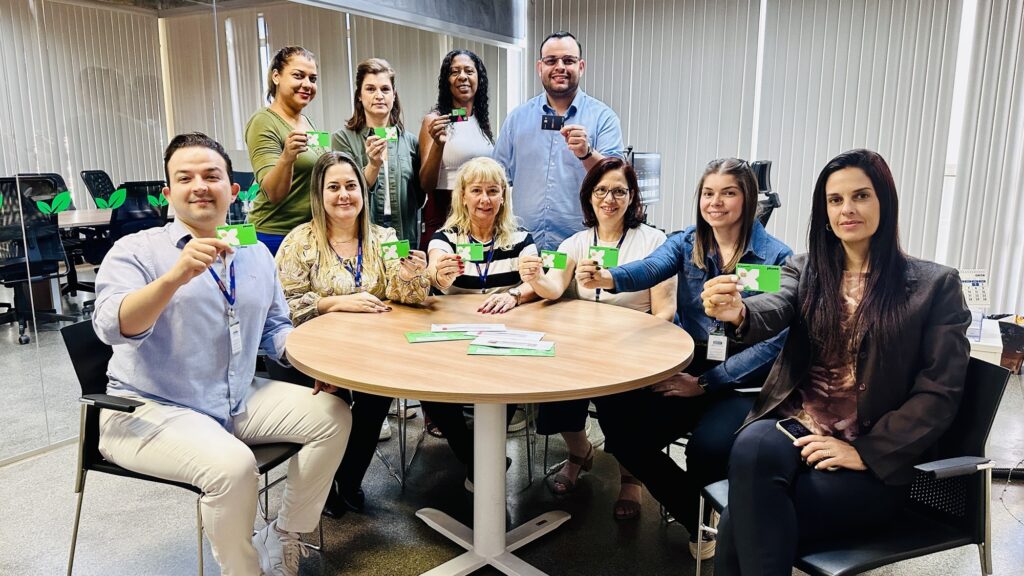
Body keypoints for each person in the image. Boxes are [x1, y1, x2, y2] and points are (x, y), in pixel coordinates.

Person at [701, 149, 971, 575]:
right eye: (835, 200)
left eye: (860, 196)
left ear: (885, 201)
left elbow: (940, 392)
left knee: (743, 516)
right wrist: (739, 312)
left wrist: (865, 451)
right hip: (798, 428)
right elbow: (776, 304)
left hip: (871, 465)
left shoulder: (935, 286)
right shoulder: (804, 269)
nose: (847, 209)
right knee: (750, 444)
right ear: (824, 211)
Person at [93, 132, 351, 576]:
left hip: (233, 397)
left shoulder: (251, 250)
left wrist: (314, 364)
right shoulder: (136, 250)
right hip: (148, 408)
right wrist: (174, 278)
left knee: (333, 415)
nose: (200, 186)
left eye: (212, 175)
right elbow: (111, 325)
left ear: (232, 190)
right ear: (167, 193)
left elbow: (276, 327)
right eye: (185, 177)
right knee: (234, 468)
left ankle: (285, 534)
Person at [580, 158, 792, 556]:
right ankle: (697, 513)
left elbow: (775, 343)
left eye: (728, 192)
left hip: (744, 379)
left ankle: (712, 518)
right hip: (690, 364)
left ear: (749, 200)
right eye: (708, 193)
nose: (716, 202)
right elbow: (649, 268)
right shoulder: (688, 242)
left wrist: (707, 384)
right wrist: (609, 278)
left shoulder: (777, 258)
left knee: (705, 449)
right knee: (623, 433)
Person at [518, 157, 676, 520]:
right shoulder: (574, 242)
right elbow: (553, 287)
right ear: (589, 197)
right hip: (582, 345)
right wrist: (534, 277)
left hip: (633, 345)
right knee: (554, 390)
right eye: (601, 190)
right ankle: (580, 451)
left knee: (621, 409)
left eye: (619, 191)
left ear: (632, 197)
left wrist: (633, 343)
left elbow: (664, 311)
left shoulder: (655, 242)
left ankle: (630, 476)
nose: (610, 199)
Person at [275, 151, 430, 517]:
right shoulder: (299, 242)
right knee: (337, 403)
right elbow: (284, 303)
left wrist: (412, 275)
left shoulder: (385, 237)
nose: (343, 194)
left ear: (362, 191)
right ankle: (322, 484)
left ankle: (347, 480)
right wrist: (334, 303)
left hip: (373, 351)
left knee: (376, 396)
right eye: (334, 187)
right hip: (313, 353)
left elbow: (410, 296)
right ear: (320, 194)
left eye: (351, 186)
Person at [423, 156, 538, 487]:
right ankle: (475, 456)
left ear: (503, 196)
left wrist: (515, 295)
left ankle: (481, 460)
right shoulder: (446, 238)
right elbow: (435, 270)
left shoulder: (520, 238)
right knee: (430, 387)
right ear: (462, 195)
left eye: (492, 191)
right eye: (476, 191)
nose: (485, 200)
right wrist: (437, 275)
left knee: (512, 377)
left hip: (503, 339)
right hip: (454, 340)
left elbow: (535, 279)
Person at [494, 31, 624, 251]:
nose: (560, 67)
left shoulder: (604, 118)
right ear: (540, 67)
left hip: (583, 247)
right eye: (551, 61)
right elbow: (496, 178)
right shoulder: (517, 119)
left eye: (569, 61)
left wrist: (587, 153)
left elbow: (617, 179)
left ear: (581, 67)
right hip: (524, 248)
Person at [333, 58, 423, 249]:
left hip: (404, 234)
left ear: (394, 95)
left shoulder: (411, 142)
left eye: (385, 89)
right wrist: (373, 165)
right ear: (359, 95)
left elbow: (420, 198)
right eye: (370, 89)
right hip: (362, 234)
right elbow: (347, 193)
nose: (379, 95)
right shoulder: (342, 139)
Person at [245, 46, 325, 255]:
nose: (307, 84)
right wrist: (287, 158)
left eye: (312, 79)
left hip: (307, 234)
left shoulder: (307, 122)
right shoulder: (263, 121)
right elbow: (273, 193)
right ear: (276, 76)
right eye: (298, 76)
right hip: (273, 236)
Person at [418, 49, 495, 249]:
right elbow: (426, 183)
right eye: (455, 72)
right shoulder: (434, 120)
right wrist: (438, 143)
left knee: (476, 272)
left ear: (479, 78)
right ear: (447, 80)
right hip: (446, 209)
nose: (462, 76)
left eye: (469, 71)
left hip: (479, 211)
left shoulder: (481, 121)